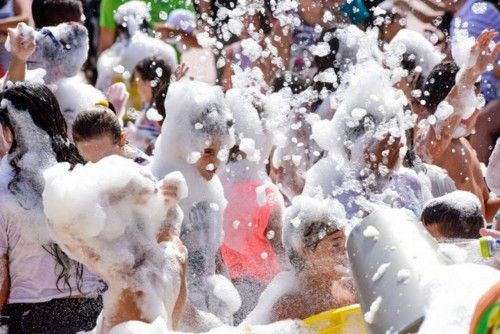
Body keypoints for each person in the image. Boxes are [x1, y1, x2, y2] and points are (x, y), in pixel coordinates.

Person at [0, 82, 104, 332]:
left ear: (9, 131)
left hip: (31, 315)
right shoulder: (85, 175)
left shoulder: (4, 187)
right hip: (90, 311)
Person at [151, 80, 240, 326]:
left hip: (213, 311)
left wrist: (228, 307)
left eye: (220, 152)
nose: (215, 162)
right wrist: (199, 322)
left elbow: (215, 255)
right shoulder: (165, 188)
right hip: (179, 317)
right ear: (185, 145)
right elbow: (161, 272)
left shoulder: (210, 187)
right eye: (207, 152)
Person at [414, 30, 500, 223]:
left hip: (473, 244)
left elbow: (484, 211)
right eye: (474, 100)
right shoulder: (430, 142)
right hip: (449, 249)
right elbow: (445, 122)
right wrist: (471, 72)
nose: (479, 108)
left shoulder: (463, 144)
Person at [245, 195, 357, 325]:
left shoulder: (353, 290)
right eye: (335, 246)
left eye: (344, 246)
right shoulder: (291, 309)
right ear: (304, 250)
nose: (344, 255)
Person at [98, 0, 195, 55]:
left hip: (168, 76)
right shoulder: (112, 1)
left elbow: (199, 41)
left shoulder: (179, 2)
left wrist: (177, 33)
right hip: (127, 78)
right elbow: (105, 49)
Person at [72, 106, 150, 165]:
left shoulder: (144, 170)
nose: (97, 168)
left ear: (122, 140)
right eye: (88, 162)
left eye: (104, 160)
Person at [129, 56, 173, 153]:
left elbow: (164, 144)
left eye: (139, 82)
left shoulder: (161, 112)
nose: (138, 88)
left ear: (152, 83)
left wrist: (138, 138)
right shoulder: (147, 107)